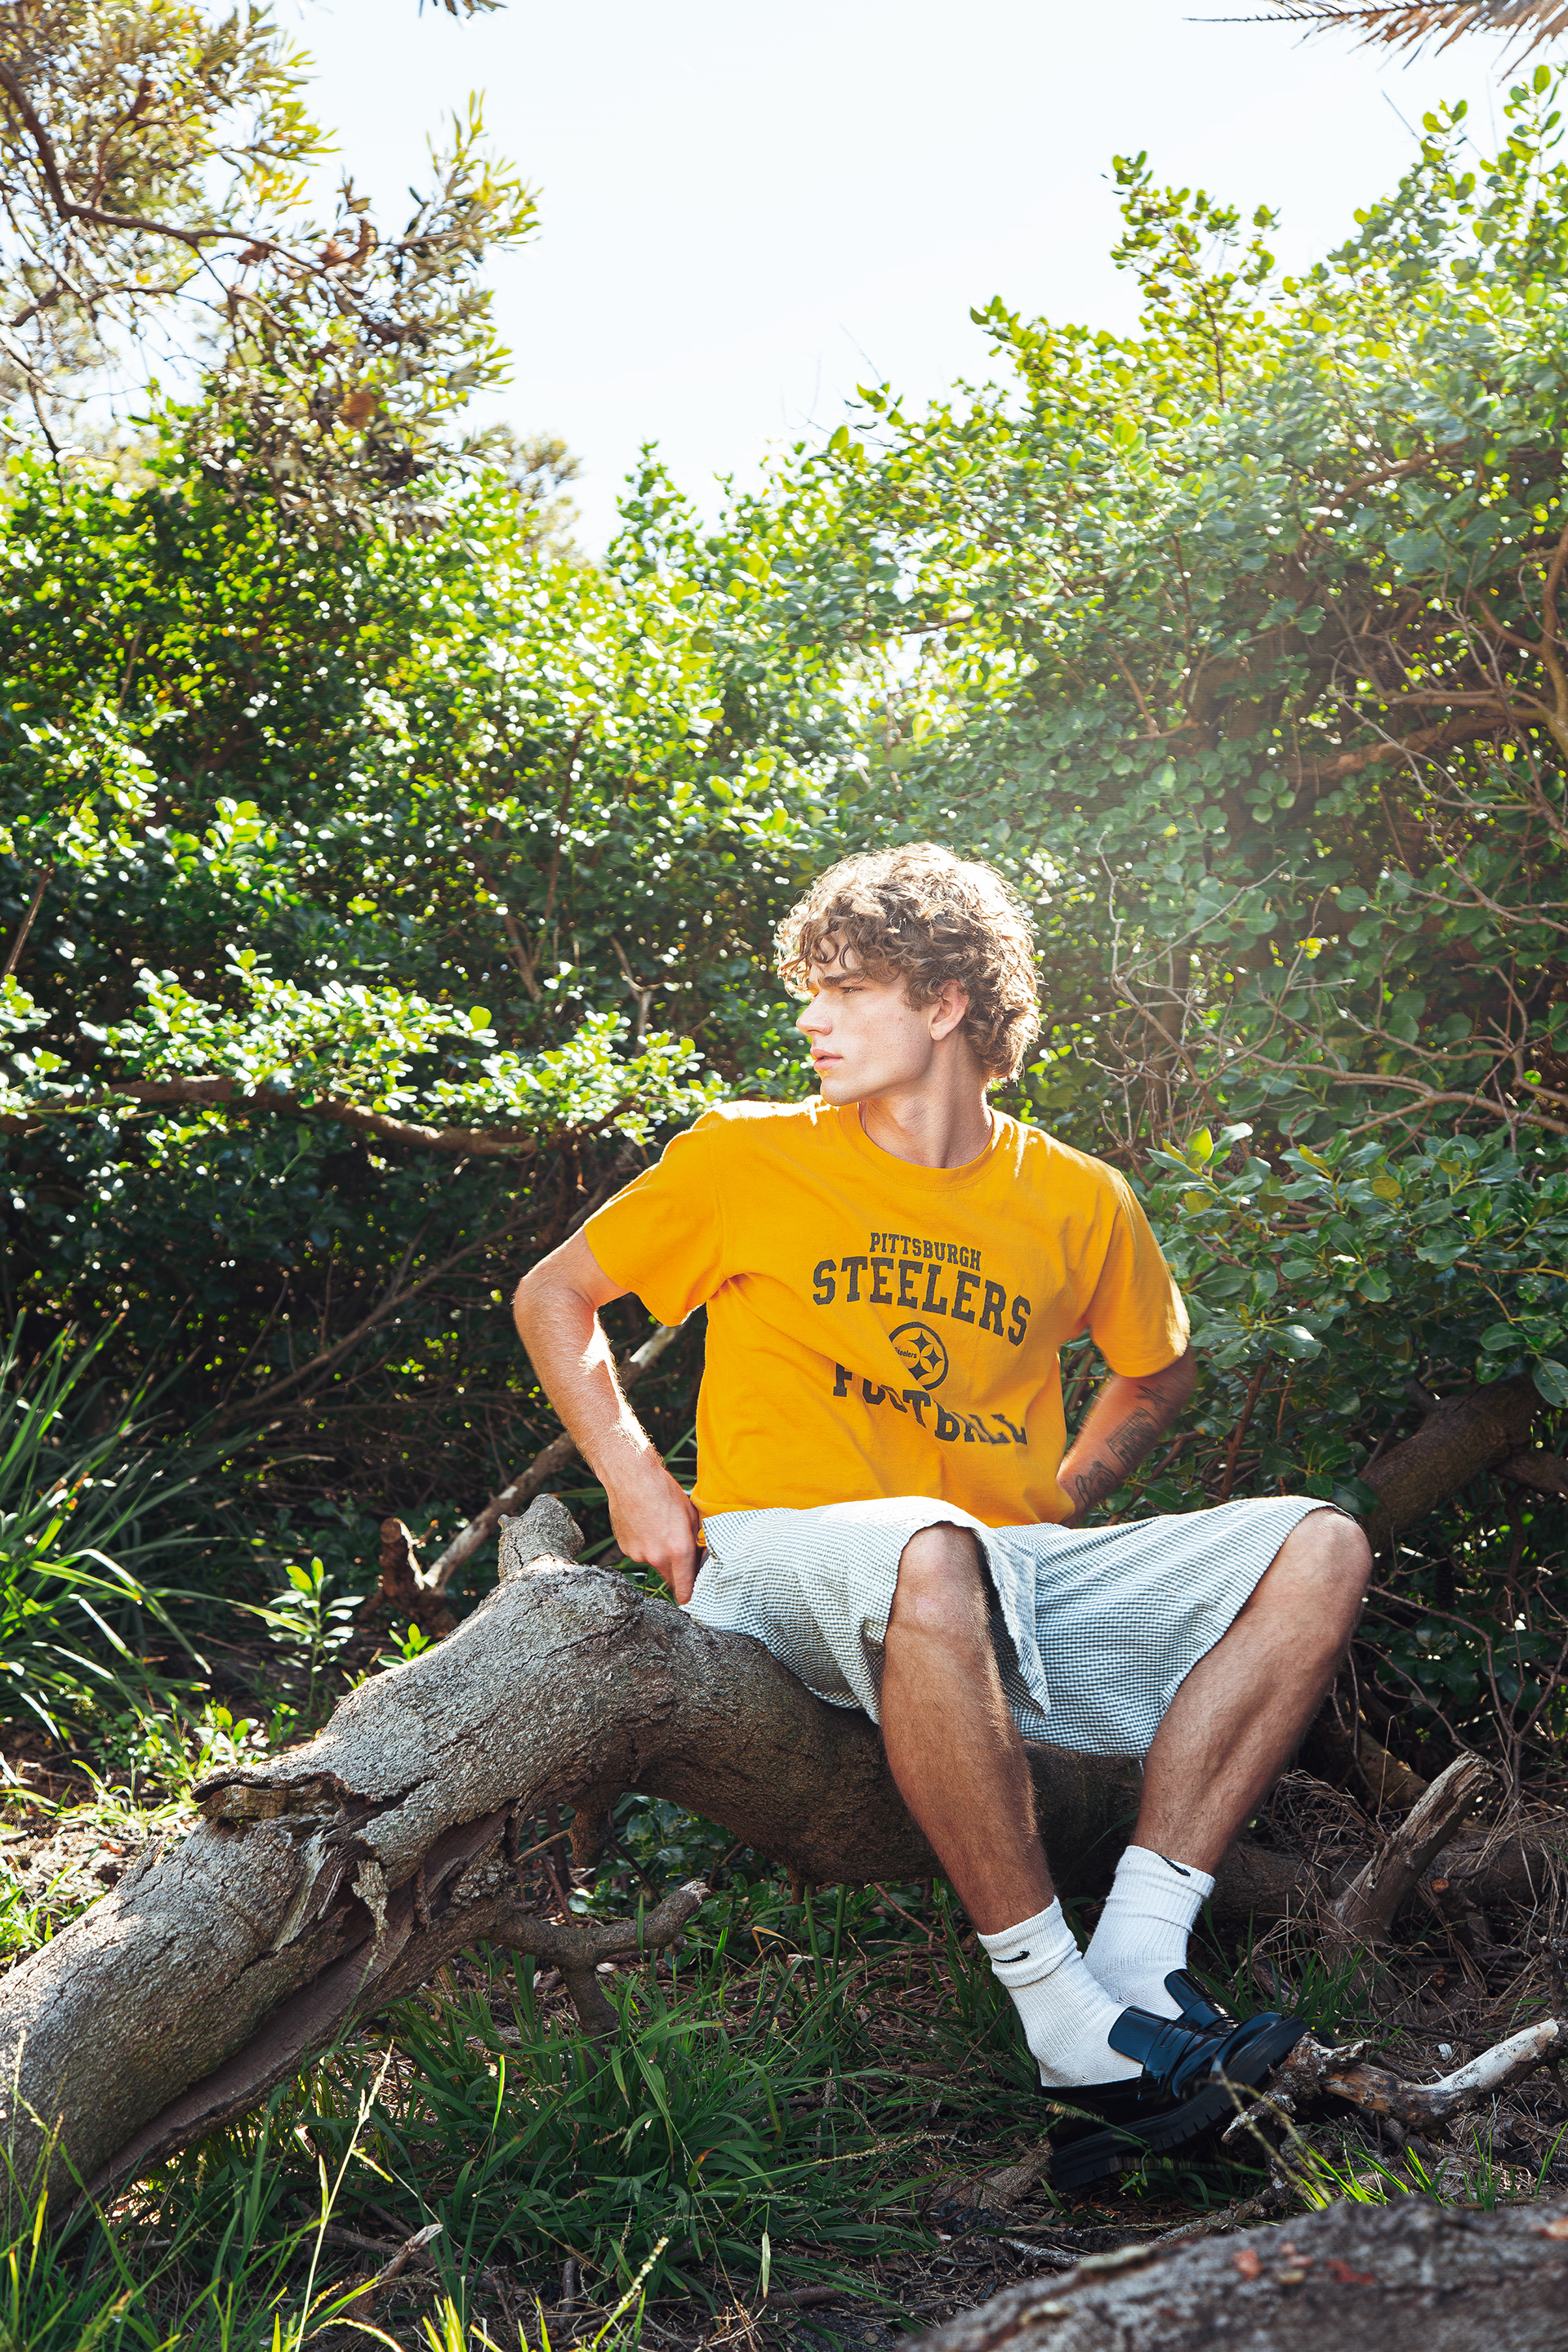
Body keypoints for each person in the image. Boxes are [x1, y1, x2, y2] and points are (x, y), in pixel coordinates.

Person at [513, 844, 1370, 2186]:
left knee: (1319, 1543)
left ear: (947, 1002)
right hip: (785, 1558)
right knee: (928, 1545)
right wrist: (636, 1479)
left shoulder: (1079, 1198)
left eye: (847, 989)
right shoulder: (745, 1156)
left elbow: (1157, 1373)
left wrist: (1069, 1493)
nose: (812, 1019)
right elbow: (553, 1295)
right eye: (808, 991)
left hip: (1000, 1567)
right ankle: (1063, 2023)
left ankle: (1140, 1965)